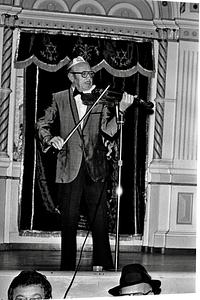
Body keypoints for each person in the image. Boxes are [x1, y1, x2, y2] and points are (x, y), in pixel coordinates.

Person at [36, 56, 134, 271]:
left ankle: (104, 265)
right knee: (68, 221)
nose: (89, 78)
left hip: (95, 166)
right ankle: (67, 268)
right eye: (83, 74)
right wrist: (50, 138)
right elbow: (42, 123)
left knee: (99, 219)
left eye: (90, 74)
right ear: (72, 77)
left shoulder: (100, 99)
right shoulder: (58, 98)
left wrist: (122, 111)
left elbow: (108, 131)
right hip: (68, 166)